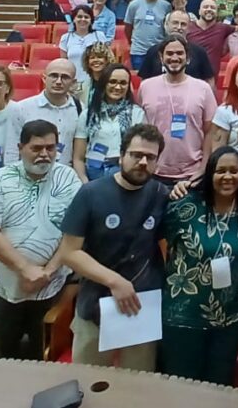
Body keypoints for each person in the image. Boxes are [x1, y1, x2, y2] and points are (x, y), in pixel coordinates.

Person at [55, 124, 170, 370]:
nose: (143, 162)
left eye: (150, 157)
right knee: (88, 381)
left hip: (141, 305)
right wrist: (115, 281)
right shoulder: (90, 193)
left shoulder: (161, 194)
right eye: (136, 155)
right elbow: (69, 252)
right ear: (121, 155)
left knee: (138, 384)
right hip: (95, 302)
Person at [0, 119, 83, 360]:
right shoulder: (0, 178)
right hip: (4, 287)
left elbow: (75, 232)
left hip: (52, 285)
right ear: (20, 148)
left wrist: (48, 272)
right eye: (36, 148)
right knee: (4, 356)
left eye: (50, 148)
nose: (44, 154)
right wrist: (25, 269)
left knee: (45, 356)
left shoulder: (68, 178)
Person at [158, 146, 238, 383]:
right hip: (183, 316)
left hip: (229, 318)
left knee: (219, 387)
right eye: (220, 171)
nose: (227, 176)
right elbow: (157, 241)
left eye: (234, 171)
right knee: (183, 387)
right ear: (209, 173)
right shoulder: (185, 205)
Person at [137, 34, 217, 186]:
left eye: (179, 53)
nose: (174, 58)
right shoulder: (146, 87)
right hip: (153, 172)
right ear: (161, 58)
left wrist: (204, 167)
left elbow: (210, 132)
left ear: (188, 58)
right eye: (169, 53)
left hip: (192, 174)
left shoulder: (203, 89)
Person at [72, 64, 145, 182]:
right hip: (93, 172)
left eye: (123, 83)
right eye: (112, 82)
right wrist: (84, 182)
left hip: (124, 173)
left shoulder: (137, 113)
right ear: (103, 84)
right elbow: (78, 158)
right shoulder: (88, 114)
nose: (118, 87)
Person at [4, 59, 79, 167]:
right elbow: (12, 150)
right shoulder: (21, 108)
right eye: (53, 76)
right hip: (29, 173)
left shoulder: (80, 109)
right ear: (44, 78)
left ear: (73, 82)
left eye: (65, 77)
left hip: (64, 174)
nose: (58, 81)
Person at [136, 11, 216, 84]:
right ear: (167, 24)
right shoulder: (153, 51)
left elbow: (209, 80)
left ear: (189, 28)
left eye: (183, 24)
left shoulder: (199, 52)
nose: (179, 27)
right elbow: (144, 80)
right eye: (175, 23)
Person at [124, 0, 172, 70]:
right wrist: (133, 42)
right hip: (138, 52)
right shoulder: (133, 5)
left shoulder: (166, 6)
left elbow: (167, 28)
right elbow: (128, 27)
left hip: (158, 52)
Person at [59, 5, 108, 86]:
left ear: (91, 20)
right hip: (73, 83)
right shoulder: (65, 38)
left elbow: (107, 60)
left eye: (86, 17)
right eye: (79, 17)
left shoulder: (99, 36)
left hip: (96, 82)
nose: (83, 19)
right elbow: (64, 64)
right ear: (74, 19)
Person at [187, 0, 233, 75]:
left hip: (211, 77)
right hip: (191, 76)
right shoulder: (188, 27)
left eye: (213, 8)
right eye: (205, 7)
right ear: (199, 11)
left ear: (217, 13)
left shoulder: (223, 28)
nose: (209, 9)